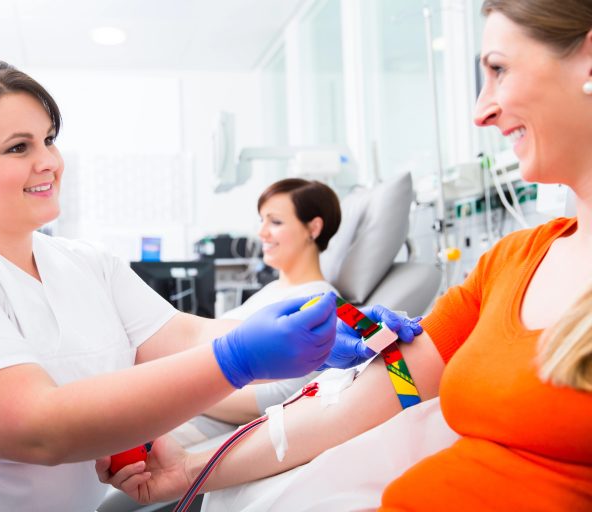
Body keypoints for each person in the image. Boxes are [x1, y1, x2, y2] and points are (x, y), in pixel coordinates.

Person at [97, 1, 592, 510]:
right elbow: (380, 397)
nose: (480, 109)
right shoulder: (510, 262)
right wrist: (186, 471)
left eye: (499, 69)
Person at [0, 57, 377, 512]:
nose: (49, 163)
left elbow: (182, 335)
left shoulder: (83, 262)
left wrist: (325, 334)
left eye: (49, 139)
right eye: (19, 148)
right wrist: (240, 357)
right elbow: (38, 426)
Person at [171, 178, 344, 445]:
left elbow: (273, 398)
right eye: (262, 220)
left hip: (194, 425)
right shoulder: (274, 289)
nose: (262, 233)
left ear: (314, 227)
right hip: (182, 409)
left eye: (275, 222)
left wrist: (172, 391)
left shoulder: (318, 302)